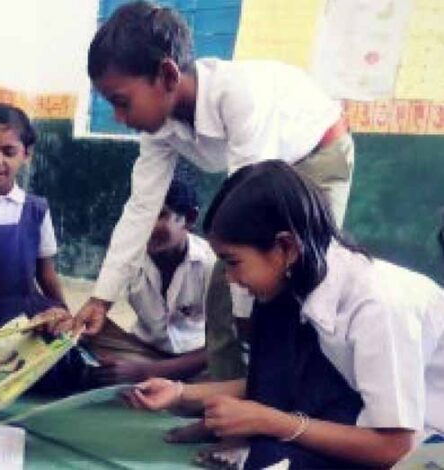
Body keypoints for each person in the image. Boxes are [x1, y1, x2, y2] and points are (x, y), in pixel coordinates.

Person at [65, 1, 355, 379]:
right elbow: (141, 209)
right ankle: (226, 389)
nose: (120, 118)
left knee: (298, 274)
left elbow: (254, 217)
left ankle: (290, 390)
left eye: (122, 102)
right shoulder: (160, 129)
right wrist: (101, 298)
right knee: (226, 287)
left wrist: (245, 317)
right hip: (263, 171)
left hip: (317, 157)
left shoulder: (239, 96)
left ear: (167, 75)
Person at [125, 160, 444, 468]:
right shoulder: (293, 286)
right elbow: (275, 386)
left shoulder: (377, 306)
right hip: (360, 426)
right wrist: (180, 393)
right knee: (267, 452)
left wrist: (271, 422)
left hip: (428, 449)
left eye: (233, 262)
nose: (230, 278)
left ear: (286, 247)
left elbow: (395, 448)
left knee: (269, 457)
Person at [86, 164, 209, 385]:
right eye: (142, 215)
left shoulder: (211, 264)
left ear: (189, 219)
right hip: (140, 350)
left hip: (193, 360)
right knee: (87, 331)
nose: (147, 227)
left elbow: (221, 347)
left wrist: (146, 372)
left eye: (160, 215)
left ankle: (159, 382)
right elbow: (97, 311)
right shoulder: (125, 256)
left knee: (231, 372)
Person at [0, 103, 69, 335]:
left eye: (9, 152)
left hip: (29, 314)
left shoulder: (37, 209)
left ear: (26, 153)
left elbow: (46, 273)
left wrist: (64, 310)